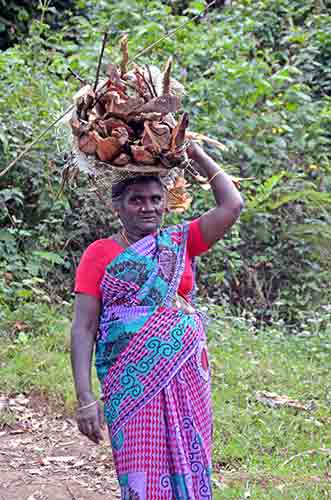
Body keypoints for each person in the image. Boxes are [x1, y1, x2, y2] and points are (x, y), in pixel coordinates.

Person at [71, 142, 244, 499]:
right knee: (139, 468)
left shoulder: (181, 241)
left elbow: (232, 205)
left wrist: (196, 155)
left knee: (191, 456)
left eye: (155, 199)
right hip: (127, 380)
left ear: (166, 201)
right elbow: (83, 327)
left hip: (186, 374)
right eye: (136, 200)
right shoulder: (99, 253)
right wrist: (85, 396)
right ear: (116, 206)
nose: (147, 208)